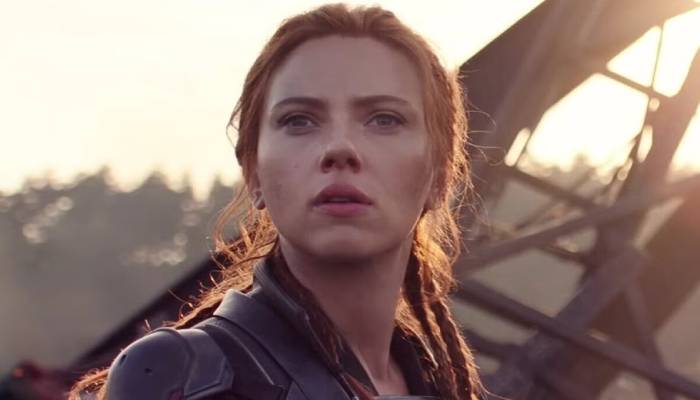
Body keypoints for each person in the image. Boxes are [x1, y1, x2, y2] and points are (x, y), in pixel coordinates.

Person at [69, 3, 482, 399]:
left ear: (440, 173)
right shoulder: (186, 380)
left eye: (384, 119)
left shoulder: (437, 383)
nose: (340, 148)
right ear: (253, 172)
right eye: (299, 120)